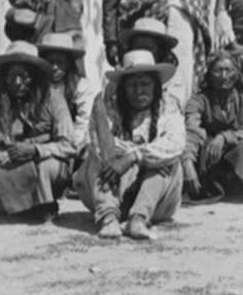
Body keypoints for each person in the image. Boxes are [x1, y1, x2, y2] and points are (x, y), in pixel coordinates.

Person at [76, 48, 186, 240]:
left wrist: (133, 156)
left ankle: (138, 218)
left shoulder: (168, 106)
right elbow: (100, 145)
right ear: (123, 89)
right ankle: (108, 217)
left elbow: (175, 144)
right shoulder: (109, 108)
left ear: (156, 86)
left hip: (157, 201)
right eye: (132, 85)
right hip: (115, 191)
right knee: (97, 158)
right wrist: (122, 157)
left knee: (165, 161)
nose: (139, 91)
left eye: (145, 84)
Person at [0, 40, 76, 222]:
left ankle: (43, 205)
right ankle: (22, 208)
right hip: (9, 166)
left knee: (45, 166)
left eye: (24, 76)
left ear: (36, 77)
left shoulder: (54, 99)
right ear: (4, 78)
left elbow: (70, 146)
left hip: (45, 167)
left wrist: (35, 150)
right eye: (12, 76)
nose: (17, 83)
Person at [183, 48, 243, 201]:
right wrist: (187, 161)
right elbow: (192, 130)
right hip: (213, 156)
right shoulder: (199, 99)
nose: (224, 76)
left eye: (229, 70)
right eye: (218, 71)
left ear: (237, 72)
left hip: (241, 153)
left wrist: (225, 137)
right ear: (209, 74)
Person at [37, 28, 96, 155]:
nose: (54, 67)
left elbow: (83, 124)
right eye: (50, 62)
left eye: (60, 63)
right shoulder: (36, 86)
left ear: (69, 64)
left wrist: (65, 146)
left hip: (73, 146)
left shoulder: (81, 86)